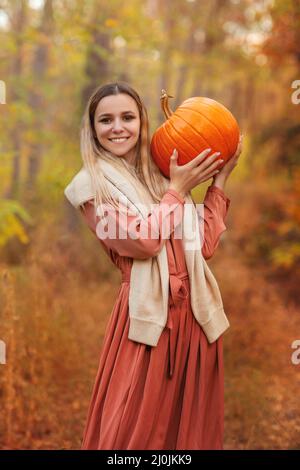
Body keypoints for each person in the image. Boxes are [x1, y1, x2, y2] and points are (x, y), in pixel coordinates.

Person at [64, 81, 243, 450]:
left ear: (142, 122)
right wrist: (178, 191)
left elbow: (202, 245)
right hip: (147, 316)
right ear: (93, 129)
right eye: (106, 120)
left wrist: (218, 181)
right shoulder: (91, 189)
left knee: (186, 429)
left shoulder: (162, 174)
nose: (118, 127)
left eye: (128, 117)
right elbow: (142, 242)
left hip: (193, 314)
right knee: (133, 427)